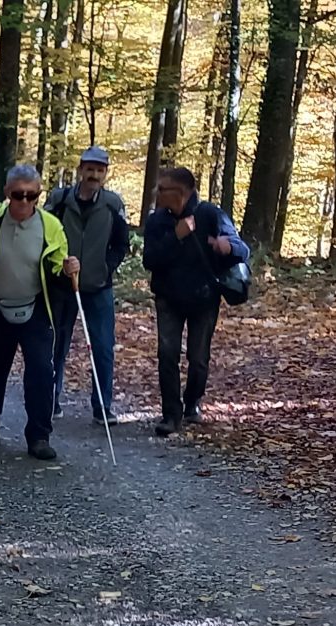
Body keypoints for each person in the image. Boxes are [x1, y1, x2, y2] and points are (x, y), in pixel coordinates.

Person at [0, 164, 80, 461]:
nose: (24, 201)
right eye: (18, 195)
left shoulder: (51, 225)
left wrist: (67, 271)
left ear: (39, 195)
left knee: (41, 371)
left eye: (31, 195)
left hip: (36, 308)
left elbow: (56, 267)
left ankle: (39, 436)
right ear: (7, 193)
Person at [143, 167, 250, 437]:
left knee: (198, 358)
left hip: (204, 298)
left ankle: (192, 404)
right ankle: (171, 414)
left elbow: (242, 249)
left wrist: (228, 247)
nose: (157, 193)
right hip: (168, 298)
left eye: (162, 188)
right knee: (167, 354)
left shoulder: (210, 214)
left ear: (180, 192)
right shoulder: (157, 221)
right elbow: (150, 260)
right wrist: (175, 237)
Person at [44, 145, 130, 425]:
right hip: (61, 287)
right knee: (56, 346)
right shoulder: (59, 200)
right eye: (89, 169)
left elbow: (121, 244)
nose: (94, 175)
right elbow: (42, 237)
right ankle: (50, 400)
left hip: (98, 287)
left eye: (100, 170)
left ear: (105, 174)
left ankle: (103, 407)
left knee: (103, 348)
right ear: (80, 170)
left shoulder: (113, 205)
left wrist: (106, 268)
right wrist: (57, 266)